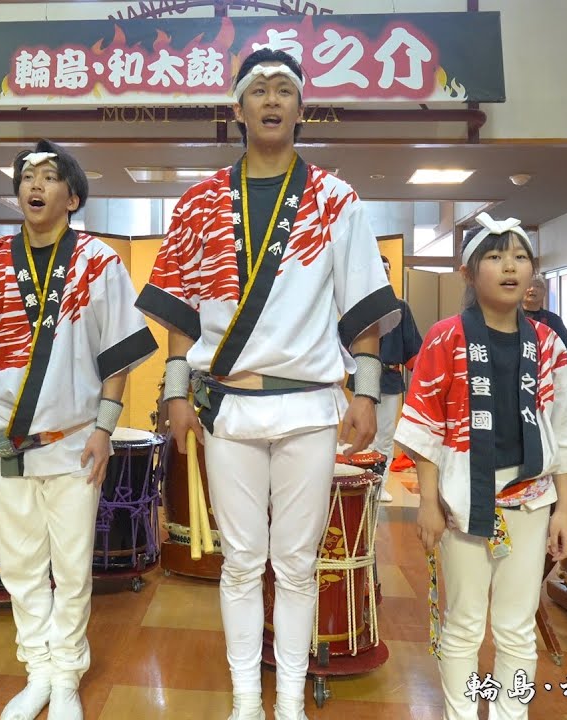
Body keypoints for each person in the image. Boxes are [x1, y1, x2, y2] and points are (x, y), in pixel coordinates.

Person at [136, 48, 399, 720]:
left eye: (286, 89)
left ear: (302, 107)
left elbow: (363, 310)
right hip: (229, 405)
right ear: (238, 109)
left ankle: (288, 701)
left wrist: (364, 392)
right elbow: (181, 316)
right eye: (259, 90)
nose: (273, 100)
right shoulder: (199, 202)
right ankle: (246, 701)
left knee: (299, 562)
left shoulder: (335, 199)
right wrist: (173, 391)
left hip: (310, 404)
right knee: (242, 561)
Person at [0, 140, 157, 720]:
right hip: (4, 445)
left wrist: (105, 430)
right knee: (18, 566)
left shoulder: (99, 262)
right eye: (26, 177)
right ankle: (37, 668)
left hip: (70, 442)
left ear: (73, 195)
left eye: (48, 176)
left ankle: (67, 675)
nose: (33, 185)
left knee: (70, 563)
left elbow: (117, 357)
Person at [396, 213, 567, 720]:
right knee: (465, 621)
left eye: (520, 257)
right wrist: (426, 503)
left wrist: (564, 511)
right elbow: (424, 425)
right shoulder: (445, 337)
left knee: (516, 624)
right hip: (461, 499)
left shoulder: (548, 343)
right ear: (469, 273)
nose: (510, 267)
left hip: (532, 498)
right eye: (494, 257)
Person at [370, 255, 423, 502]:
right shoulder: (361, 304)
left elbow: (413, 348)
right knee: (365, 432)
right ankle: (363, 482)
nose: (384, 274)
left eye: (387, 270)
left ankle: (379, 484)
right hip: (365, 372)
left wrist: (425, 382)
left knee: (385, 433)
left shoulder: (401, 307)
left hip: (390, 375)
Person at [522, 273, 567, 372]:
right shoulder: (510, 316)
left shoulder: (553, 319)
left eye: (538, 286)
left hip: (547, 370)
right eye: (528, 286)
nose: (532, 289)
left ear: (544, 292)